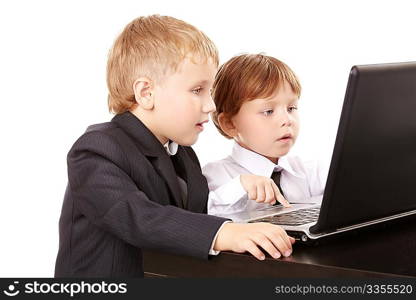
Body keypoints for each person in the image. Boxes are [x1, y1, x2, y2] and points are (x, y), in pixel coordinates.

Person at [54, 16, 295, 277]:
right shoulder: (97, 150)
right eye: (197, 90)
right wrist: (222, 232)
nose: (210, 105)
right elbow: (140, 217)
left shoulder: (183, 154)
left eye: (210, 91)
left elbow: (197, 216)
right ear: (146, 93)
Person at [203, 54, 326, 216]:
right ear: (230, 124)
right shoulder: (215, 176)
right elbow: (207, 218)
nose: (286, 120)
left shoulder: (309, 171)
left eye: (291, 108)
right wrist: (239, 187)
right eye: (268, 111)